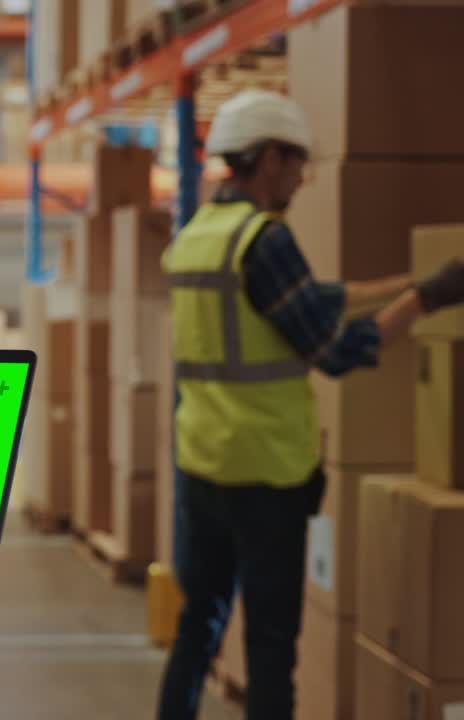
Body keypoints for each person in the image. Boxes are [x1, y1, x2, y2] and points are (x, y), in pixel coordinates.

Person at [155, 89, 464, 720]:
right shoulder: (265, 240)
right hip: (266, 475)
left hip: (201, 468)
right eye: (297, 163)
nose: (301, 178)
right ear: (270, 158)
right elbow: (336, 351)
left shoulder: (197, 237)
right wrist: (427, 300)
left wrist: (406, 279)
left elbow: (304, 298)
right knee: (271, 648)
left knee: (197, 628)